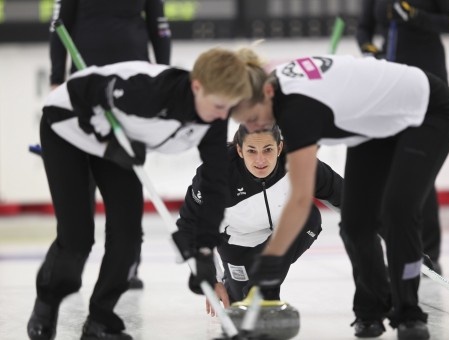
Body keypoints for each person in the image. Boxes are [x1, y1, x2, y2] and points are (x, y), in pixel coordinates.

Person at [27, 47, 251, 340]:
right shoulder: (149, 91)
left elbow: (215, 183)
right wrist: (107, 146)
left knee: (128, 237)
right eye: (220, 106)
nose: (223, 116)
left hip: (120, 142)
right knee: (77, 237)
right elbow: (80, 95)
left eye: (229, 108)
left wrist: (204, 250)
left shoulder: (214, 117)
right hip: (69, 128)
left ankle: (99, 320)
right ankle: (47, 303)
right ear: (197, 86)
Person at [229, 53, 449, 340]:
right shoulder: (274, 92)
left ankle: (409, 314)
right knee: (355, 224)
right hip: (373, 124)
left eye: (252, 118)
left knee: (398, 212)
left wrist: (272, 257)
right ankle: (370, 310)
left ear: (268, 92)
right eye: (243, 123)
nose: (251, 128)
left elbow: (300, 198)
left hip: (426, 112)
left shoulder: (296, 108)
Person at [49, 0, 172, 288]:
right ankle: (71, 267)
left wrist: (164, 77)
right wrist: (57, 77)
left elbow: (159, 26)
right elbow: (59, 25)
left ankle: (127, 266)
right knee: (81, 181)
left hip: (132, 85)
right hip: (84, 84)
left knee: (127, 176)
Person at [176, 124, 343, 313]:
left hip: (284, 235)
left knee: (308, 216)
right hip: (237, 242)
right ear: (239, 150)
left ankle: (264, 291)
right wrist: (210, 279)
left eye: (268, 149)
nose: (260, 160)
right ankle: (242, 288)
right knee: (239, 303)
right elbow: (189, 225)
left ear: (280, 147)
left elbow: (345, 198)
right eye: (251, 151)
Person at [356, 0, 449, 277]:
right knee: (392, 170)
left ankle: (429, 254)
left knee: (419, 170)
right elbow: (363, 28)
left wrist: (417, 16)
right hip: (391, 85)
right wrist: (369, 49)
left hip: (428, 86)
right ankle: (400, 250)